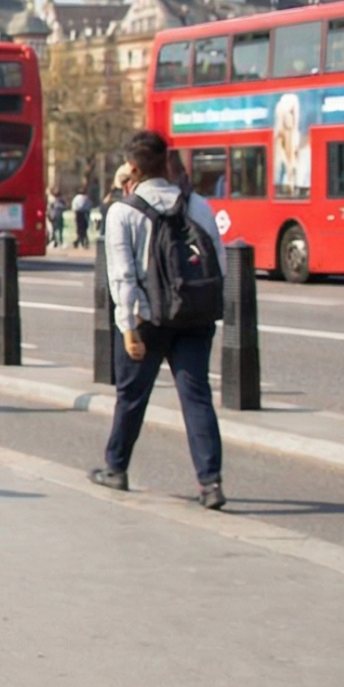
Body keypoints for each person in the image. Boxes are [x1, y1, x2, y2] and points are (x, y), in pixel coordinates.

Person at [91, 130, 227, 511]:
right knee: (197, 396)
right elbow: (219, 260)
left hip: (147, 320)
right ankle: (210, 482)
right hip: (194, 316)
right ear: (167, 162)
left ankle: (116, 467)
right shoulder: (197, 204)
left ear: (132, 168)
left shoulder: (123, 212)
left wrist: (128, 328)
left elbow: (122, 276)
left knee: (132, 398)